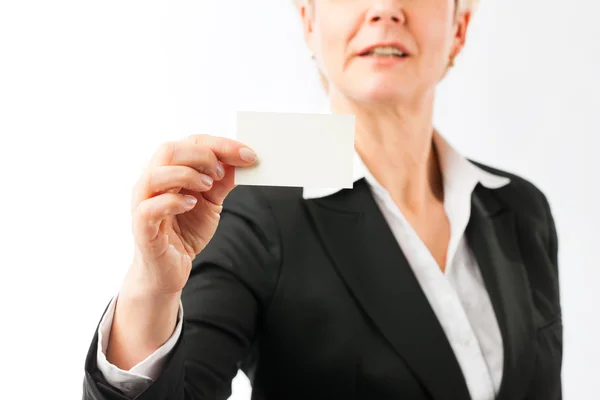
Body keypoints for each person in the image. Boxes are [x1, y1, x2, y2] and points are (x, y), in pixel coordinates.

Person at [82, 0, 562, 399]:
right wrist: (153, 288)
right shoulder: (251, 216)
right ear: (309, 21)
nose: (385, 9)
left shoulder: (522, 211)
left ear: (459, 26)